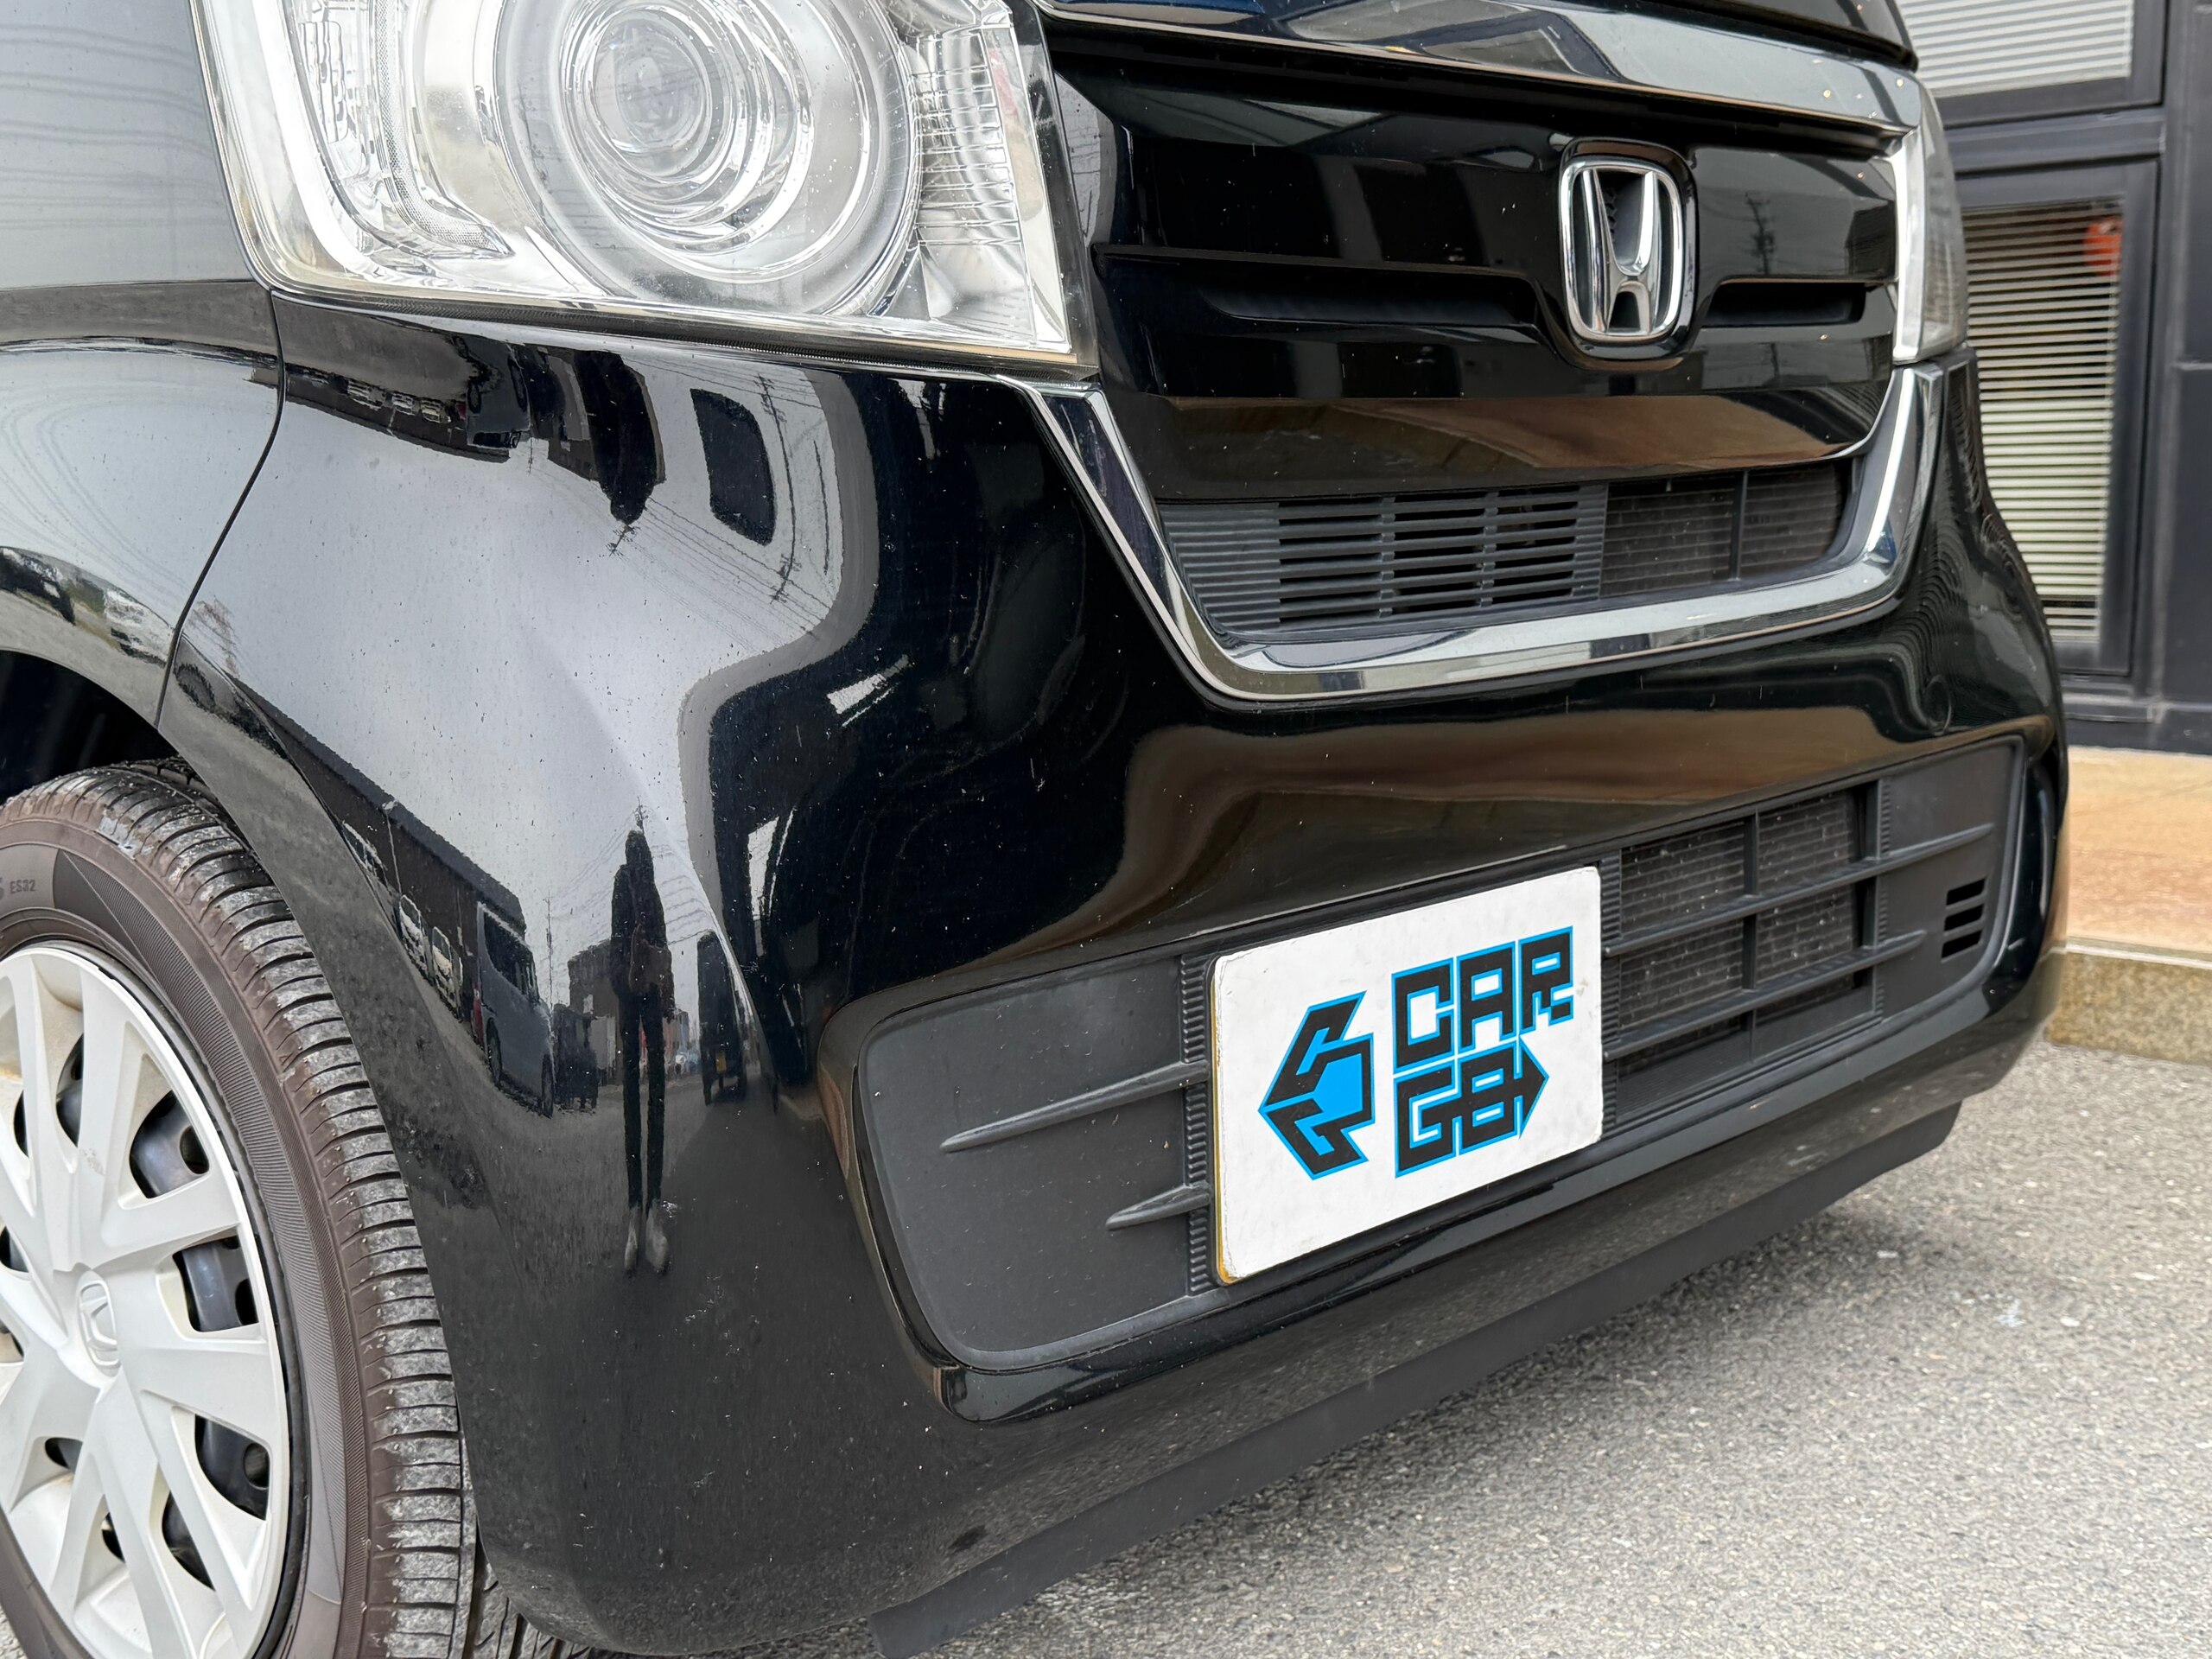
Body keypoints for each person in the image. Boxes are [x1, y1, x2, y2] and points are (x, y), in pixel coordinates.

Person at [612, 826, 671, 1273]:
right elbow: (615, 954)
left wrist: (658, 968)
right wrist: (630, 966)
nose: (639, 866)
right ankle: (636, 1208)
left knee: (658, 1099)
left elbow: (665, 954)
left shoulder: (654, 894)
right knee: (632, 1100)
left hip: (649, 997)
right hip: (630, 999)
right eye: (636, 858)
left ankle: (653, 1208)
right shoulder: (621, 887)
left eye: (642, 858)